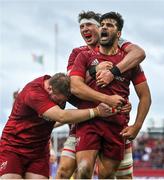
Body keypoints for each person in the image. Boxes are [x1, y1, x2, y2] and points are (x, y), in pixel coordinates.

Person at [56, 11, 146, 179]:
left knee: (117, 176)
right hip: (86, 117)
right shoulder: (79, 54)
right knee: (73, 171)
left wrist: (113, 73)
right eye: (81, 26)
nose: (84, 29)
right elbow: (73, 86)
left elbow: (140, 54)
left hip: (117, 123)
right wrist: (94, 71)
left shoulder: (124, 50)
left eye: (89, 25)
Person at [0, 73, 119, 179]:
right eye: (58, 101)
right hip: (13, 147)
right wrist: (96, 111)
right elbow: (61, 116)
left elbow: (79, 82)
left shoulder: (61, 86)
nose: (60, 103)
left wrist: (99, 69)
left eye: (63, 101)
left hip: (38, 151)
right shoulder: (34, 92)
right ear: (49, 89)